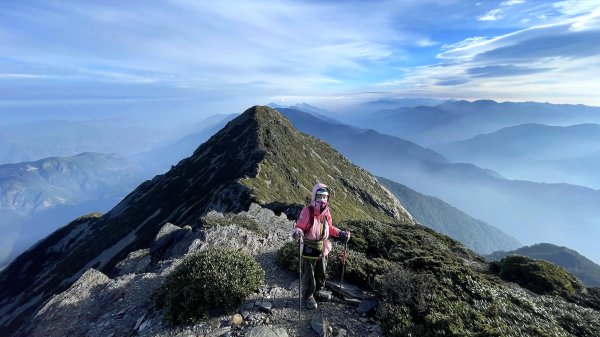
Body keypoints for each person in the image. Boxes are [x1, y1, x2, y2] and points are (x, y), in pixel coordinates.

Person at [292, 183, 350, 309]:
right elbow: (300, 226)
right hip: (308, 246)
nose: (323, 200)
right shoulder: (307, 211)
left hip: (322, 247)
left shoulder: (327, 212)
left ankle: (317, 292)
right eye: (320, 196)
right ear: (314, 196)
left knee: (321, 272)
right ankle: (308, 296)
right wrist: (297, 232)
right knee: (309, 274)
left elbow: (330, 227)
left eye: (325, 197)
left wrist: (340, 233)